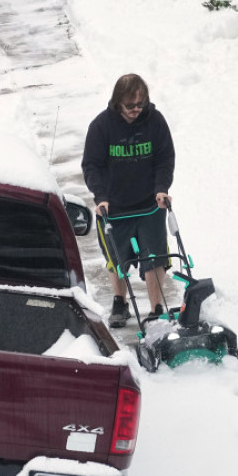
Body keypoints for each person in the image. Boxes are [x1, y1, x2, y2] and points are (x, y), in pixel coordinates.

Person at [82, 74, 175, 328]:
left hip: (149, 205)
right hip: (115, 206)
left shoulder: (155, 122)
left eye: (140, 104)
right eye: (130, 105)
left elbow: (165, 158)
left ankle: (156, 308)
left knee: (154, 256)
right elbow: (92, 165)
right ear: (117, 102)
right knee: (116, 256)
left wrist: (161, 189)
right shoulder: (101, 127)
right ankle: (119, 301)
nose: (136, 110)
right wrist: (101, 197)